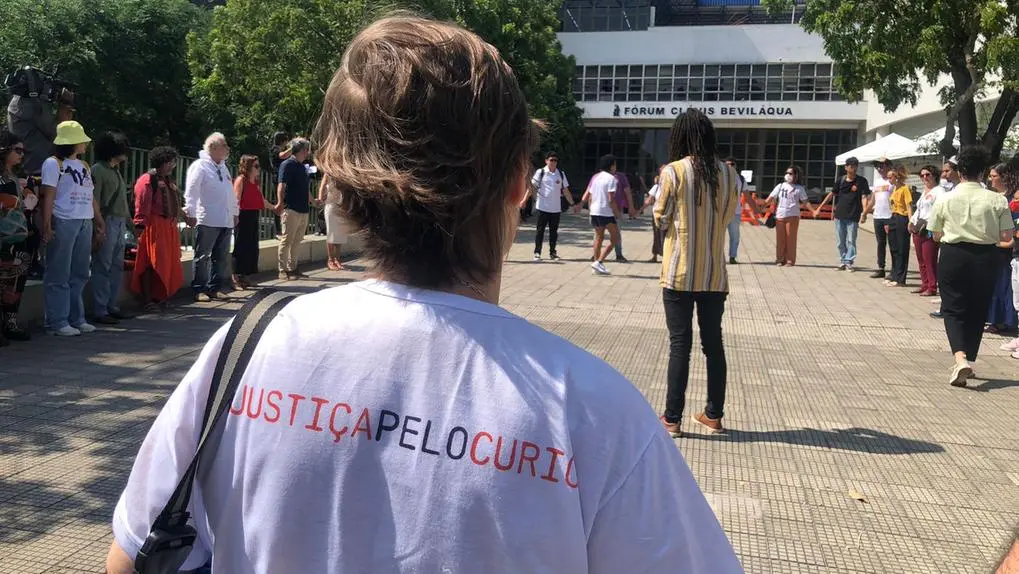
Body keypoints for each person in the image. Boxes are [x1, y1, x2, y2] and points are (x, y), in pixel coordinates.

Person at [104, 14, 740, 573]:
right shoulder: (594, 413)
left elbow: (132, 554)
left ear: (340, 180)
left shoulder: (247, 347)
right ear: (519, 182)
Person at [654, 108, 739, 437]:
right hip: (714, 274)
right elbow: (728, 216)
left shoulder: (674, 172)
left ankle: (672, 419)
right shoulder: (729, 174)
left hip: (679, 271)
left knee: (680, 345)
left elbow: (660, 218)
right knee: (713, 346)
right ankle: (713, 415)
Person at [927, 145, 1014, 387]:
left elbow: (935, 234)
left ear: (960, 171)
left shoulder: (945, 198)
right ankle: (967, 358)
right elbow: (1007, 234)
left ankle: (960, 358)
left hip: (953, 254)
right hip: (986, 255)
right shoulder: (997, 199)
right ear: (983, 171)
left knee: (953, 308)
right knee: (978, 307)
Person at [40, 121, 105, 337]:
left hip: (84, 220)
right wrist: (47, 224)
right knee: (58, 272)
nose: (85, 143)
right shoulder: (53, 163)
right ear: (71, 142)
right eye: (81, 140)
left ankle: (76, 318)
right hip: (64, 220)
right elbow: (49, 194)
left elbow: (90, 195)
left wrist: (98, 220)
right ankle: (56, 321)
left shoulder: (84, 165)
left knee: (80, 272)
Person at [131, 147, 192, 312]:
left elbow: (175, 203)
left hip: (168, 227)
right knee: (150, 263)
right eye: (170, 162)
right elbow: (141, 206)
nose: (172, 165)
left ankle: (160, 297)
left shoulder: (167, 180)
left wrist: (186, 218)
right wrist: (140, 227)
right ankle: (148, 300)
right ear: (162, 162)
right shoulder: (146, 180)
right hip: (153, 226)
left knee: (167, 263)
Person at [90, 131, 133, 325]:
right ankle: (100, 309)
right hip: (107, 221)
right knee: (103, 265)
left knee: (116, 266)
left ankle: (111, 305)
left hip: (119, 222)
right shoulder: (98, 170)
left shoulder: (115, 171)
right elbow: (95, 201)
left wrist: (131, 224)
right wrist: (99, 227)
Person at [0, 130, 35, 343]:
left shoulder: (17, 177)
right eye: (18, 150)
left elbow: (27, 206)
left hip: (19, 236)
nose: (22, 154)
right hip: (3, 237)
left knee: (15, 282)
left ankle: (10, 323)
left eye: (23, 151)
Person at [814, 156, 870, 271]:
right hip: (840, 215)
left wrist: (864, 212)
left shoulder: (861, 181)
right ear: (846, 167)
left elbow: (864, 197)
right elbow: (832, 194)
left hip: (853, 215)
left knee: (851, 240)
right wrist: (820, 207)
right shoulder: (841, 180)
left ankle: (849, 261)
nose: (854, 168)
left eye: (855, 166)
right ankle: (843, 260)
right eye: (851, 166)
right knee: (840, 241)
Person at [232, 155, 275, 289]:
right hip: (243, 215)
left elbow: (262, 200)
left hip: (253, 214)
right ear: (248, 167)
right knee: (240, 246)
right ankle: (235, 278)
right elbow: (236, 200)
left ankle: (245, 276)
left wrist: (274, 208)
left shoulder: (256, 182)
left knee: (251, 247)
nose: (258, 168)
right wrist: (235, 216)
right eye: (256, 166)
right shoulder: (241, 180)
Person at [984, 163, 1018, 334]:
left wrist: (1008, 242)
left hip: (1006, 248)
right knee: (993, 284)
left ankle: (1004, 321)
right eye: (990, 176)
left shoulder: (1013, 199)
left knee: (1004, 285)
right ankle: (994, 318)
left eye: (994, 176)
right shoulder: (992, 196)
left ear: (1005, 177)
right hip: (992, 244)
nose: (991, 179)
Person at [524, 151, 575, 261]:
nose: (553, 162)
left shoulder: (560, 173)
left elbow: (565, 190)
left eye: (555, 160)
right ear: (546, 161)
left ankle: (553, 252)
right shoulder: (541, 172)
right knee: (540, 231)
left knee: (554, 232)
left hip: (556, 208)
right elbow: (531, 187)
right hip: (542, 207)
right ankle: (537, 252)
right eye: (551, 160)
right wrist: (523, 200)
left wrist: (572, 204)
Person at [275, 137, 314, 280]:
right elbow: (281, 185)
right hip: (291, 208)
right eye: (306, 149)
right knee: (287, 240)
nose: (308, 152)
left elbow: (305, 188)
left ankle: (293, 268)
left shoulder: (302, 167)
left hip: (303, 209)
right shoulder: (287, 164)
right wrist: (280, 203)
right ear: (302, 150)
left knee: (297, 241)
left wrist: (313, 201)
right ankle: (282, 270)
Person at [930, 158, 962, 319]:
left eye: (947, 171)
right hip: (946, 239)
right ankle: (945, 306)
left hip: (959, 241)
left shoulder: (961, 192)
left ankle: (949, 308)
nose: (943, 174)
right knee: (947, 277)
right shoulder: (949, 190)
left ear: (958, 171)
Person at [766, 165, 814, 267]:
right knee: (780, 240)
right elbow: (770, 198)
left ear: (796, 175)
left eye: (790, 173)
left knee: (790, 239)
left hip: (793, 216)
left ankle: (790, 260)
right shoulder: (780, 186)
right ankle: (780, 259)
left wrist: (813, 211)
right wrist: (759, 208)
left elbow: (805, 201)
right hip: (780, 216)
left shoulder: (799, 188)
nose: (788, 175)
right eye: (786, 173)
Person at [583, 154, 622, 275]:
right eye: (615, 165)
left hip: (595, 211)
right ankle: (599, 262)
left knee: (599, 238)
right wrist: (617, 213)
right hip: (606, 212)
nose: (616, 167)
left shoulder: (596, 178)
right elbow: (611, 199)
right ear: (611, 166)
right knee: (616, 238)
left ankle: (596, 264)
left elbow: (590, 195)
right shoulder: (611, 179)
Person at [909, 165, 941, 296]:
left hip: (929, 228)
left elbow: (938, 211)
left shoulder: (939, 191)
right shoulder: (924, 192)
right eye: (922, 175)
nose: (924, 177)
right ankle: (924, 283)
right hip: (918, 227)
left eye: (927, 175)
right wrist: (912, 221)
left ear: (934, 175)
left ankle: (932, 286)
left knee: (929, 259)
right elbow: (919, 209)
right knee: (921, 259)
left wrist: (931, 224)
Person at [863, 159, 894, 279]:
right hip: (878, 216)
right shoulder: (877, 182)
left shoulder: (892, 182)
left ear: (888, 166)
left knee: (893, 244)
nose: (880, 169)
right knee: (881, 243)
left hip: (889, 216)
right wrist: (865, 213)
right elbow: (872, 200)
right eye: (878, 167)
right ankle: (881, 268)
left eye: (882, 166)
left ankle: (895, 270)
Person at [883, 165, 913, 288]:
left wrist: (910, 221)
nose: (889, 179)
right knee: (893, 248)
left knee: (902, 249)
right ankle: (894, 274)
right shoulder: (894, 189)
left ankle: (901, 278)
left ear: (897, 177)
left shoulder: (905, 188)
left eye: (890, 177)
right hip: (893, 217)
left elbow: (908, 206)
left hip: (902, 218)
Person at [723, 156, 756, 264]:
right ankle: (718, 257)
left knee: (735, 236)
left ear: (736, 165)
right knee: (719, 236)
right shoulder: (720, 177)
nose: (730, 166)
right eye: (727, 164)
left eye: (732, 164)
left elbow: (747, 196)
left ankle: (732, 257)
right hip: (722, 212)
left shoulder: (741, 179)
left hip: (735, 212)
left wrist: (755, 209)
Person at [318, 176, 351, 270]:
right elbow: (322, 187)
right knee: (331, 233)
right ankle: (330, 260)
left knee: (340, 234)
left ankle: (337, 260)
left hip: (341, 206)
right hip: (331, 206)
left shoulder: (344, 174)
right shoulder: (328, 174)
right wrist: (320, 199)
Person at [640, 165, 665, 263]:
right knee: (657, 235)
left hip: (667, 214)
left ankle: (666, 256)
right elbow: (649, 200)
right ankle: (655, 255)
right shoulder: (657, 186)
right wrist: (639, 210)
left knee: (665, 236)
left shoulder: (671, 185)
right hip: (657, 215)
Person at [611, 170, 634, 261]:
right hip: (603, 209)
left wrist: (630, 207)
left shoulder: (620, 177)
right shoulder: (598, 176)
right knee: (599, 233)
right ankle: (596, 254)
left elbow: (627, 192)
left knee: (616, 232)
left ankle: (619, 254)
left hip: (617, 208)